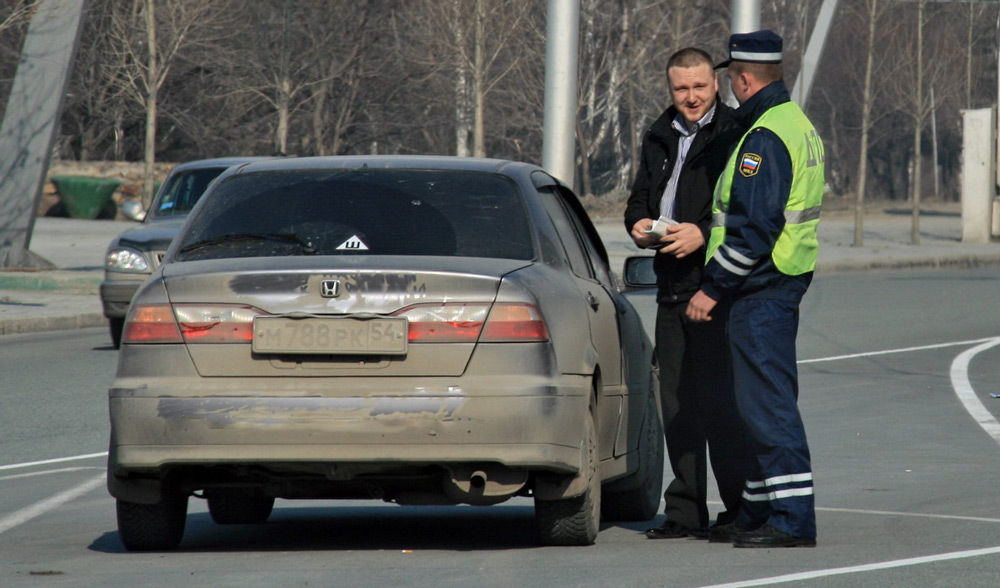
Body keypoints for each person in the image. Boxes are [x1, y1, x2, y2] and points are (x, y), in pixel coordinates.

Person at [686, 30, 825, 548]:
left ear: (742, 79)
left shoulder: (764, 136)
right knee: (755, 403)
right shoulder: (795, 123)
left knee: (767, 406)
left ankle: (790, 521)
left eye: (729, 78)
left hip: (761, 289)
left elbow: (753, 228)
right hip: (777, 284)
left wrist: (713, 287)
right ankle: (758, 509)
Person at [624, 47, 750, 541]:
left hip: (716, 286)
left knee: (721, 403)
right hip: (671, 286)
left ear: (714, 85)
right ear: (670, 89)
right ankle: (683, 512)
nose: (691, 97)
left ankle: (738, 510)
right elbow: (639, 196)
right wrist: (637, 222)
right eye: (681, 89)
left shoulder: (736, 134)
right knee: (675, 404)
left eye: (699, 87)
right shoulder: (658, 134)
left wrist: (701, 232)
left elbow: (745, 208)